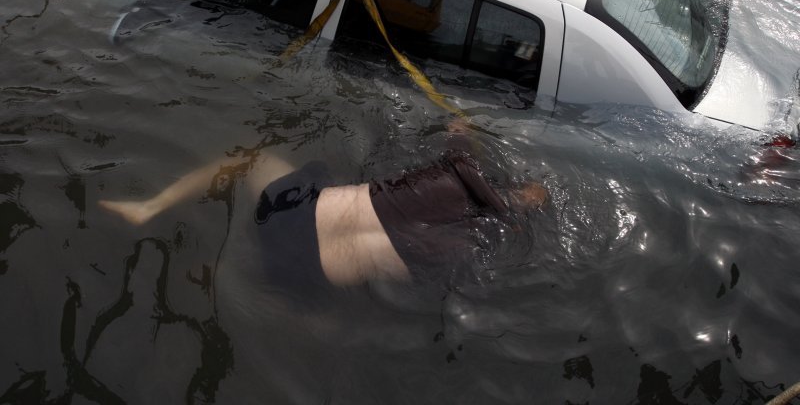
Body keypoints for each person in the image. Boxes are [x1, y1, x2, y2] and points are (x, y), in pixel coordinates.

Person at [100, 120, 547, 290]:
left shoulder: (454, 174)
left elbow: (458, 140)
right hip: (306, 273)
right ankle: (217, 274)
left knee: (248, 160)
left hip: (296, 211)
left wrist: (460, 124)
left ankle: (150, 206)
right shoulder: (473, 249)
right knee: (267, 280)